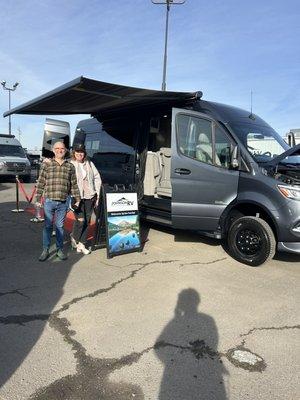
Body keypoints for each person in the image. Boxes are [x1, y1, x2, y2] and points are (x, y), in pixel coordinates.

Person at [35, 141, 81, 261]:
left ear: (65, 150)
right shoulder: (47, 165)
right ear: (53, 150)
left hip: (63, 202)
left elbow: (74, 184)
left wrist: (77, 199)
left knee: (60, 226)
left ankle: (60, 250)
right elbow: (41, 182)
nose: (60, 150)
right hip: (49, 201)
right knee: (48, 226)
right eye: (57, 148)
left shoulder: (70, 166)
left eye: (62, 148)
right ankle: (45, 249)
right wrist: (38, 198)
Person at [70, 144, 102, 255]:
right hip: (77, 197)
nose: (80, 154)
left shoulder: (89, 164)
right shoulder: (71, 164)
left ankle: (82, 244)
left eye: (82, 152)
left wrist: (97, 193)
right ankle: (74, 236)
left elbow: (97, 178)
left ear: (85, 153)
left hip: (89, 196)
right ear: (74, 153)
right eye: (77, 151)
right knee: (80, 220)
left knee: (87, 221)